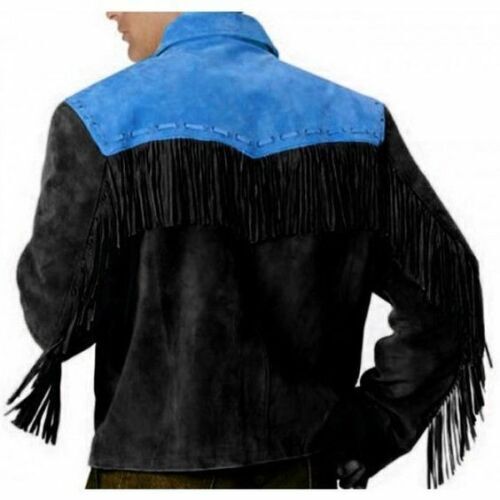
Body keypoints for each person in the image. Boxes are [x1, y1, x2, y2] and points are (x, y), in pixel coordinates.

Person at [5, 11, 492, 490]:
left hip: (148, 471)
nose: (111, 10)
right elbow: (447, 290)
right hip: (303, 469)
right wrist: (376, 422)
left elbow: (55, 322)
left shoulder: (99, 118)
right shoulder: (358, 123)